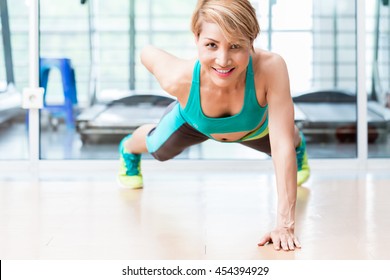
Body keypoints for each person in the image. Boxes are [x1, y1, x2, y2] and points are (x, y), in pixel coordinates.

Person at [117, 0, 310, 251]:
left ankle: (301, 148)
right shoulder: (178, 76)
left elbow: (281, 142)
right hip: (194, 122)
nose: (223, 60)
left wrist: (285, 224)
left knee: (285, 141)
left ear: (251, 41)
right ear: (196, 37)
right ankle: (128, 148)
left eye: (236, 46)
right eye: (211, 45)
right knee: (157, 148)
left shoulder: (271, 67)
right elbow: (147, 52)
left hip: (253, 127)